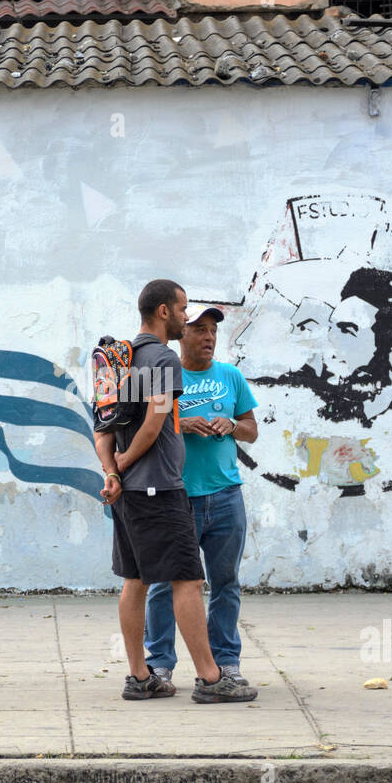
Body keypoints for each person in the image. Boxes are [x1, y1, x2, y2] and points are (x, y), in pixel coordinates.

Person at [94, 280, 255, 703]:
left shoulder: (121, 357)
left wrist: (112, 473)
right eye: (184, 309)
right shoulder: (164, 359)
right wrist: (126, 465)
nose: (188, 317)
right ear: (163, 311)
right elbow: (153, 423)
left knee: (135, 580)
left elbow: (103, 428)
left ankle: (140, 676)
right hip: (160, 489)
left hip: (128, 495)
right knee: (187, 580)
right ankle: (210, 677)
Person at [143, 303, 260, 695]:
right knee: (165, 584)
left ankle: (226, 663)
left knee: (225, 582)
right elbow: (145, 424)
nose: (209, 337)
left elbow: (251, 430)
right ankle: (158, 665)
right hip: (178, 497)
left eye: (213, 331)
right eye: (201, 330)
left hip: (226, 495)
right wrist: (181, 422)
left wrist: (232, 426)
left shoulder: (231, 376)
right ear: (183, 334)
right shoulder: (165, 376)